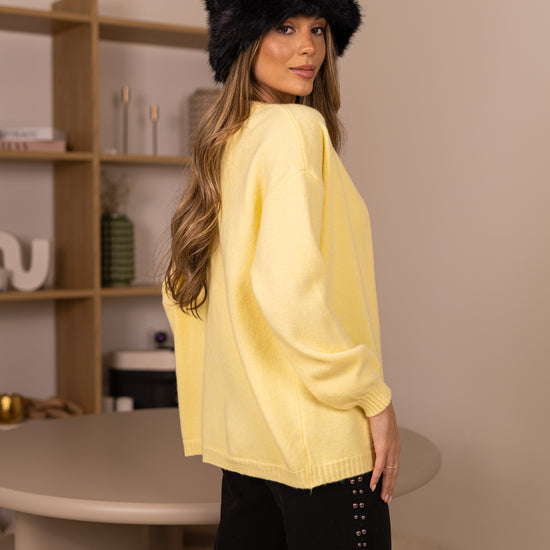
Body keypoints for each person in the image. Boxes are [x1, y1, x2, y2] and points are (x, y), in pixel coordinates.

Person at [162, 1, 400, 548]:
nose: (308, 46)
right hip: (318, 441)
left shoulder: (227, 142)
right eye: (285, 27)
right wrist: (372, 396)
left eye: (318, 28)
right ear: (244, 41)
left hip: (248, 446)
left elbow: (180, 292)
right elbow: (289, 292)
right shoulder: (296, 129)